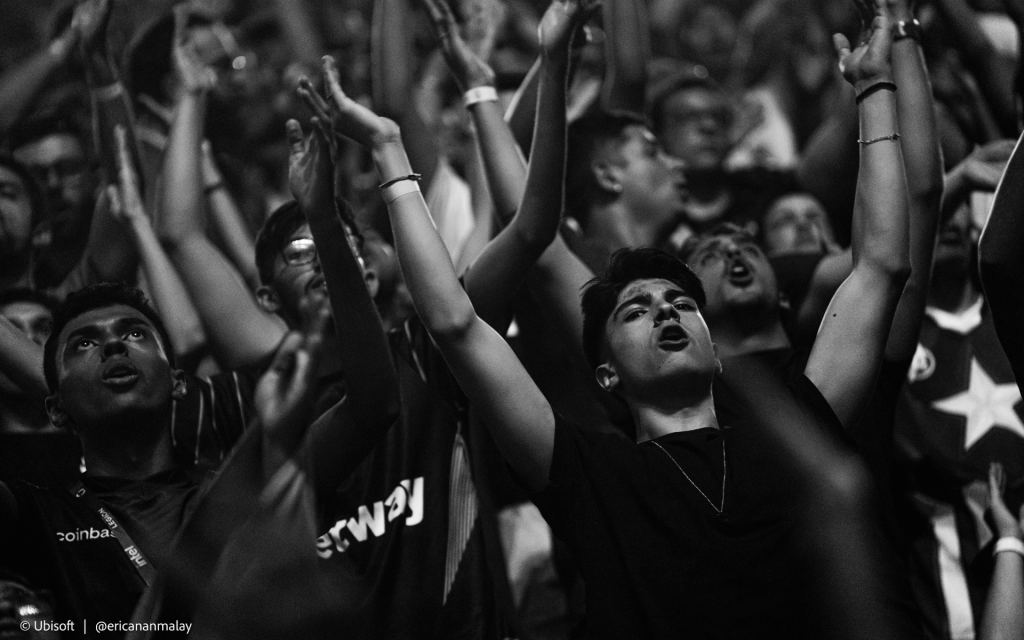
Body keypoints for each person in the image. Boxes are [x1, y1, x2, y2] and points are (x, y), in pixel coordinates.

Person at [0, 282, 328, 637]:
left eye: (136, 333)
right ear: (56, 408)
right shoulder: (33, 515)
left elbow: (374, 407)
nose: (114, 345)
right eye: (84, 343)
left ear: (178, 382)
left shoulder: (241, 498)